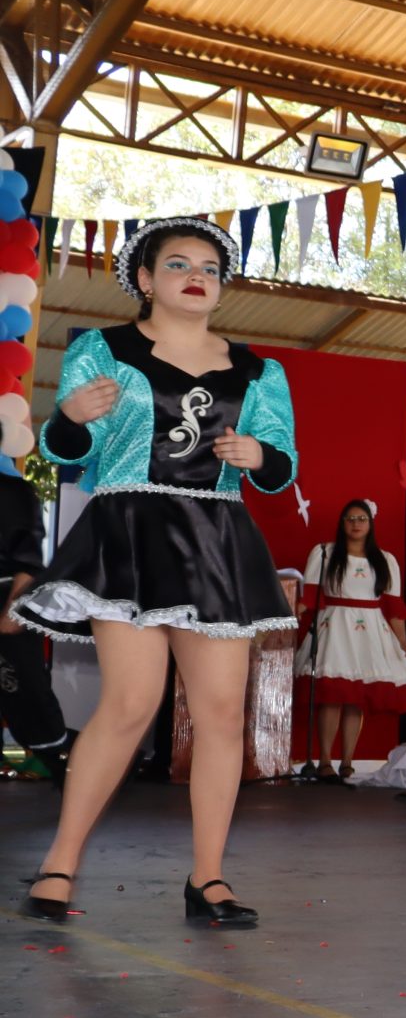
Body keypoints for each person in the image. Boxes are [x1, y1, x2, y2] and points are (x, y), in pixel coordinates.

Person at [19, 218, 294, 926]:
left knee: (222, 713)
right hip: (131, 536)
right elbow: (67, 451)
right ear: (144, 279)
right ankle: (59, 863)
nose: (196, 275)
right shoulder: (101, 350)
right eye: (177, 264)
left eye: (209, 267)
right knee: (131, 703)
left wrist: (260, 456)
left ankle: (208, 877)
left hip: (215, 541)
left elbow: (280, 466)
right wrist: (69, 416)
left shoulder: (260, 372)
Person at [297, 497, 406, 782]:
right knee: (331, 697)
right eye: (350, 519)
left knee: (356, 700)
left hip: (370, 631)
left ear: (371, 524)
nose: (356, 524)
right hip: (335, 628)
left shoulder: (385, 560)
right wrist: (288, 612)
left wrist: (403, 642)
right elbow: (310, 596)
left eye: (362, 519)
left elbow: (393, 606)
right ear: (342, 523)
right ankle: (324, 761)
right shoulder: (325, 553)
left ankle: (347, 762)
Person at [0, 467, 73, 778]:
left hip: (5, 600)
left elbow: (29, 559)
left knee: (28, 700)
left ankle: (79, 769)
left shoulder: (12, 490)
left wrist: (14, 610)